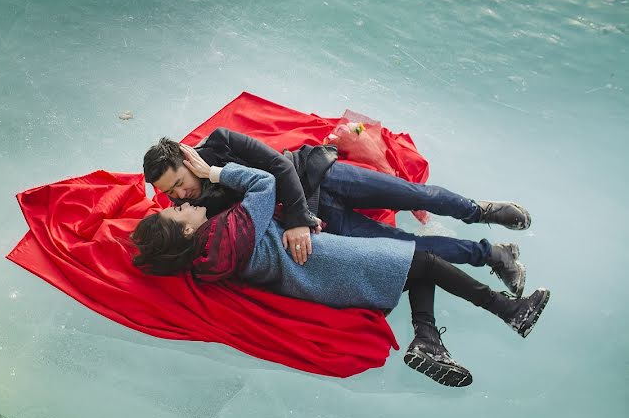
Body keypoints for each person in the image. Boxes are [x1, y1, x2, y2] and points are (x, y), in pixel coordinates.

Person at [130, 155, 550, 387]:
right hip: (330, 263)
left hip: (318, 275)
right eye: (177, 208)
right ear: (186, 230)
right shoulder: (231, 230)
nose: (178, 203)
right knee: (420, 261)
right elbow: (264, 183)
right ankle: (508, 310)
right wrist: (213, 172)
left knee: (415, 266)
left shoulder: (206, 260)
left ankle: (427, 341)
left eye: (176, 197)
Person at [142, 129, 531, 296]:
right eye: (168, 194)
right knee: (407, 248)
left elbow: (278, 168)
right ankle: (493, 254)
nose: (178, 196)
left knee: (414, 194)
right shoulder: (191, 210)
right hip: (321, 226)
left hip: (318, 178)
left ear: (185, 157)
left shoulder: (221, 142)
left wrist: (298, 220)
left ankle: (479, 210)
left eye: (177, 183)